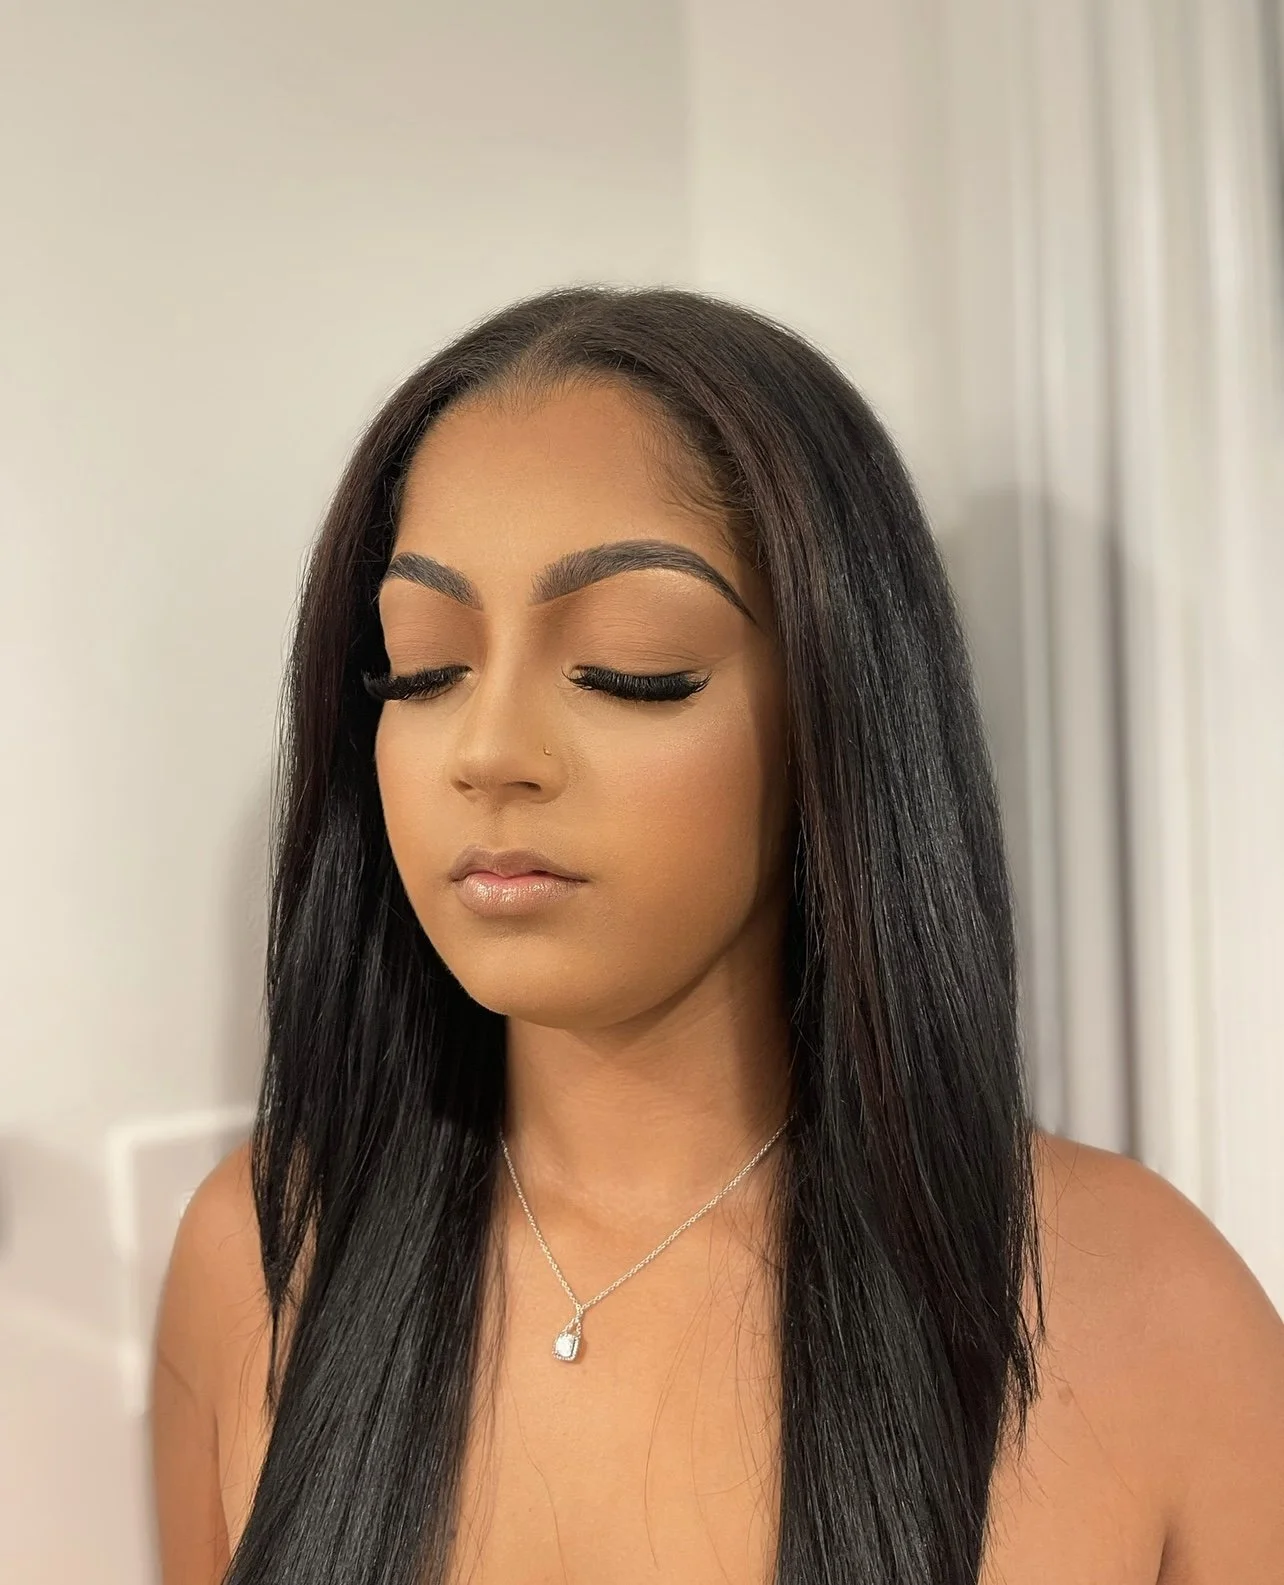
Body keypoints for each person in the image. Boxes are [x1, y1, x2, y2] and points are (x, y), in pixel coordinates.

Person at [149, 285, 1284, 1585]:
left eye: (634, 669)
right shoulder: (257, 1258)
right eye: (424, 666)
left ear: (835, 717)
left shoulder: (1141, 1314)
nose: (492, 750)